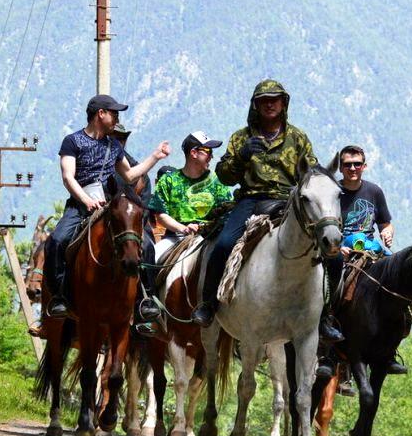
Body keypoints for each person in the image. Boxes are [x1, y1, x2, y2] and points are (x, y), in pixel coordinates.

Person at [191, 79, 343, 343]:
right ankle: (208, 304)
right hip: (251, 200)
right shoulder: (241, 138)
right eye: (264, 100)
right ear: (256, 106)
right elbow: (224, 176)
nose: (270, 104)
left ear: (284, 103)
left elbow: (312, 174)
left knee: (333, 255)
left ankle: (327, 315)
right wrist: (241, 157)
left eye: (275, 99)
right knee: (224, 243)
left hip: (289, 201)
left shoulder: (298, 137)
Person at [43, 94, 170, 320]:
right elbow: (68, 177)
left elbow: (129, 175)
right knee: (56, 240)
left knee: (147, 244)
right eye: (114, 113)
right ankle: (60, 297)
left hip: (110, 205)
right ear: (100, 113)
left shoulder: (113, 146)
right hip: (80, 206)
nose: (117, 117)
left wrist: (155, 157)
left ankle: (146, 299)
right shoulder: (72, 141)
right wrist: (86, 200)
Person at [325, 144, 406, 378]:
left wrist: (389, 232)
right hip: (340, 251)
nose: (352, 168)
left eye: (357, 164)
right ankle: (327, 348)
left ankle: (389, 350)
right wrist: (337, 248)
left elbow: (384, 222)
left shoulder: (374, 192)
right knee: (332, 288)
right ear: (340, 167)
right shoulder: (333, 192)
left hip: (371, 249)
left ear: (364, 166)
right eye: (348, 164)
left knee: (405, 285)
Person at [112, 122, 165, 336]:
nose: (118, 141)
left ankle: (146, 302)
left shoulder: (140, 173)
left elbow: (143, 207)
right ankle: (65, 298)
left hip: (133, 227)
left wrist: (134, 228)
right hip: (103, 222)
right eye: (114, 136)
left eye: (121, 137)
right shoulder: (98, 165)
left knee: (148, 248)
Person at [148, 130, 233, 262]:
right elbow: (160, 214)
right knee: (152, 256)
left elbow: (226, 211)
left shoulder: (217, 181)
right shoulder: (168, 181)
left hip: (210, 236)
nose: (211, 157)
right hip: (175, 237)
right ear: (193, 153)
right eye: (208, 152)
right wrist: (183, 228)